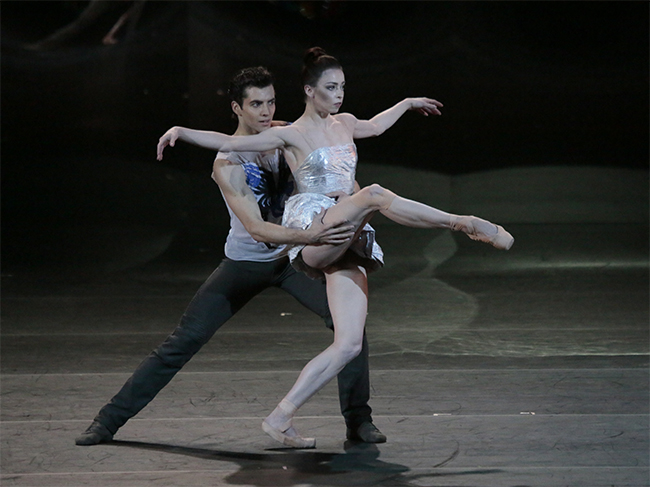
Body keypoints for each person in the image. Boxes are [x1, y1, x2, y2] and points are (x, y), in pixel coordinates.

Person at [157, 47, 514, 449]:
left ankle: (280, 418)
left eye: (342, 87)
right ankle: (462, 223)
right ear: (310, 91)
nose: (339, 95)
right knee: (375, 194)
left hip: (350, 235)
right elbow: (226, 141)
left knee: (349, 344)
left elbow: (377, 126)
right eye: (330, 88)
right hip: (316, 226)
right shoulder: (289, 133)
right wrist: (181, 132)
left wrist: (409, 103)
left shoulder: (344, 123)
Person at [75, 66, 389, 447]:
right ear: (237, 109)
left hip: (293, 260)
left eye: (270, 101)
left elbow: (339, 170)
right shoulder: (227, 162)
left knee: (350, 331)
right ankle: (107, 421)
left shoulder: (288, 134)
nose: (264, 111)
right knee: (183, 340)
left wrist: (350, 202)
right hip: (247, 261)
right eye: (255, 104)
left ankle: (358, 421)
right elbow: (257, 229)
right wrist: (312, 235)